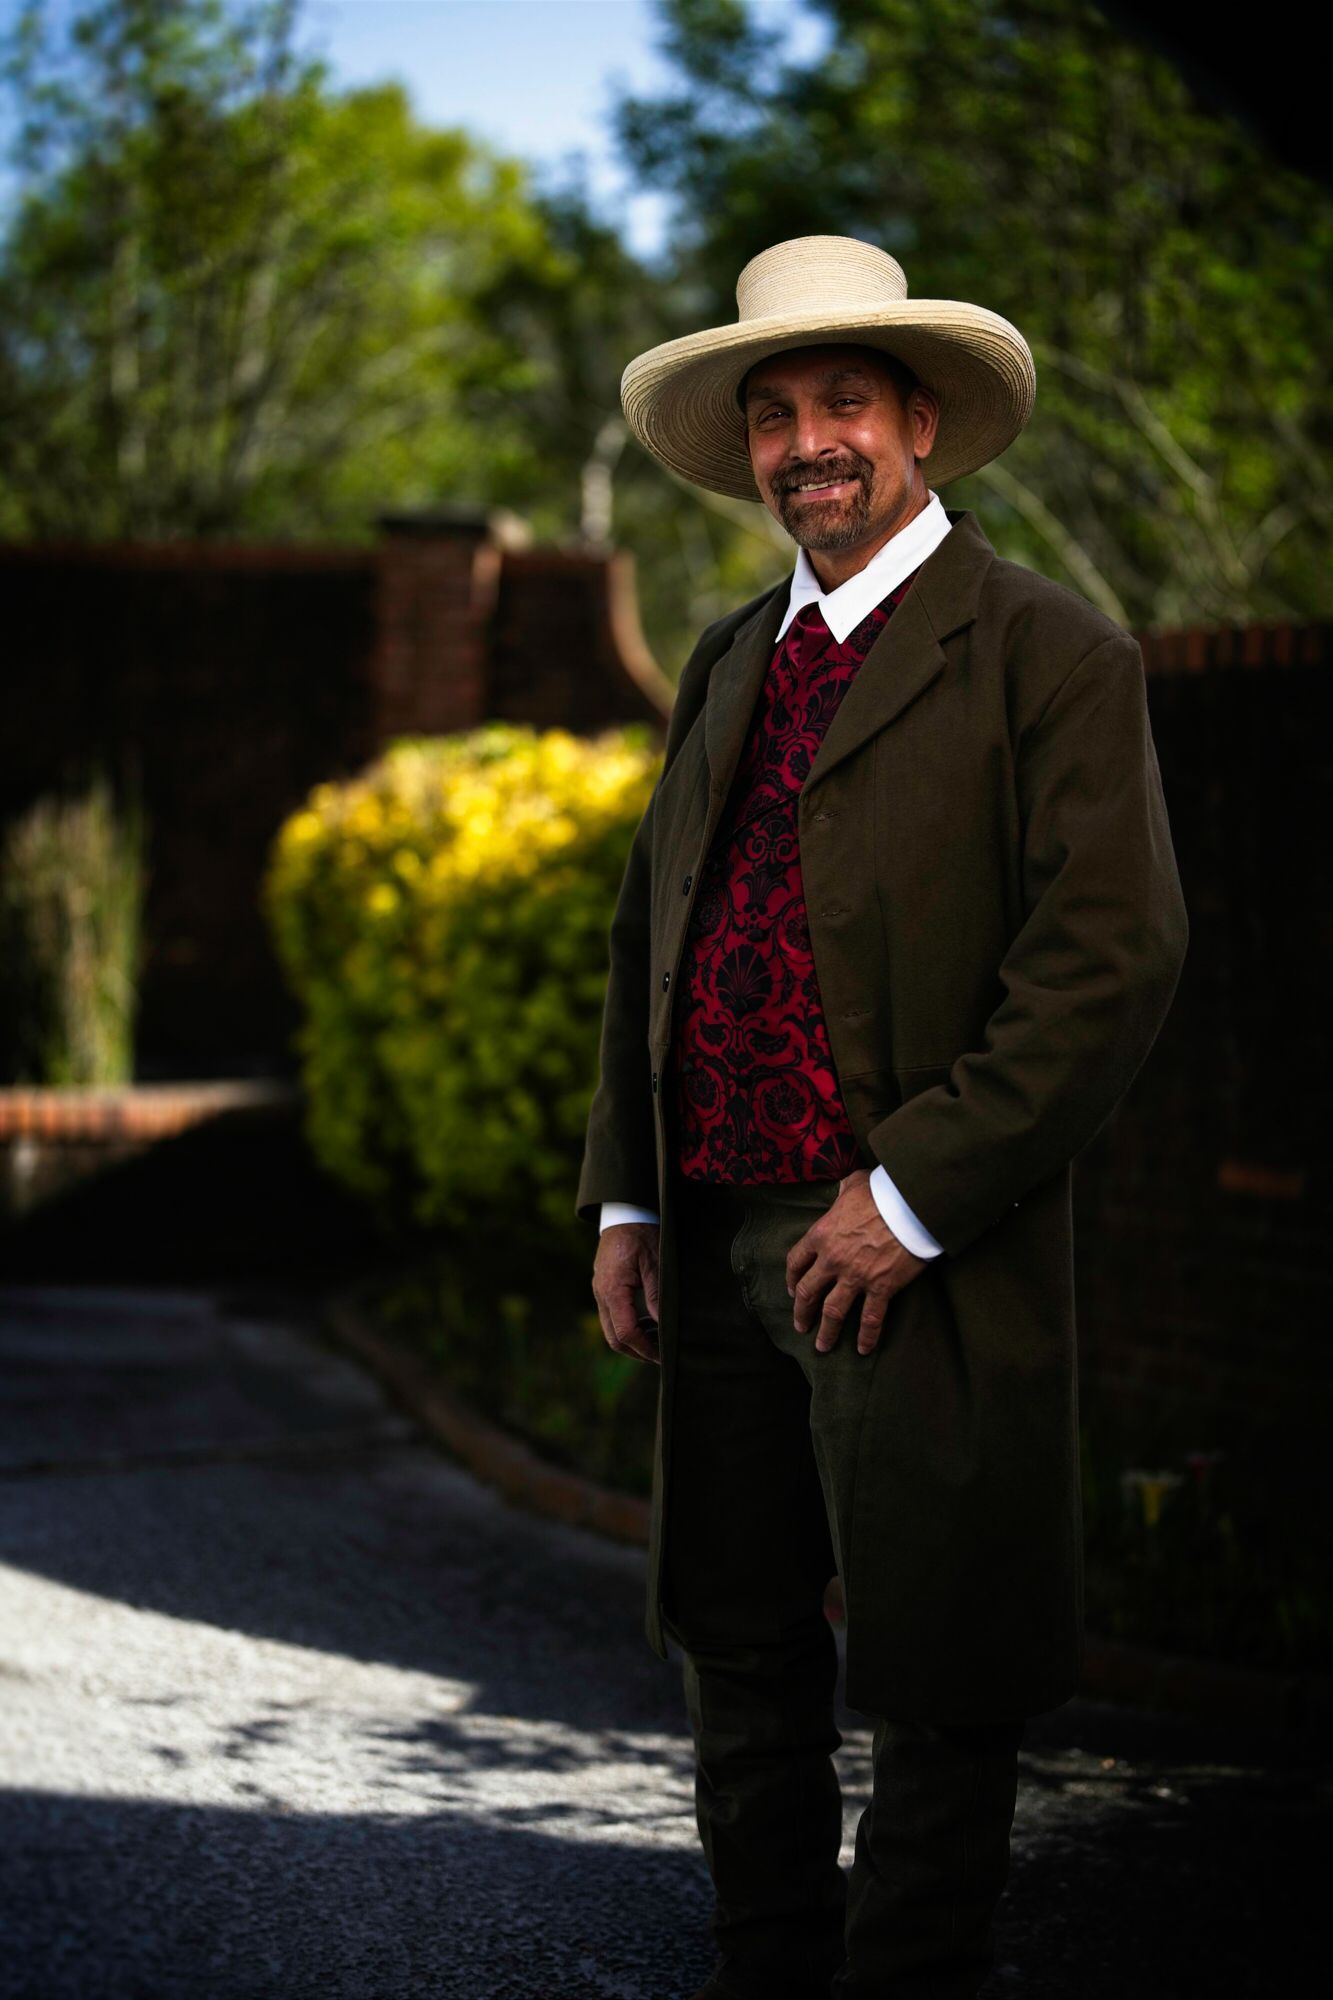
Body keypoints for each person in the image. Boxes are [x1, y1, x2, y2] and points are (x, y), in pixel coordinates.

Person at [577, 234, 1188, 2000]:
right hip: (712, 1236)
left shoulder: (1049, 653)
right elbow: (651, 938)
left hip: (910, 1252)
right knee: (737, 1640)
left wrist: (910, 1195)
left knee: (939, 1668)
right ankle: (766, 1965)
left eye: (840, 402)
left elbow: (1107, 961)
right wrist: (628, 1201)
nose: (804, 444)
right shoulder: (727, 658)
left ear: (920, 423)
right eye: (772, 415)